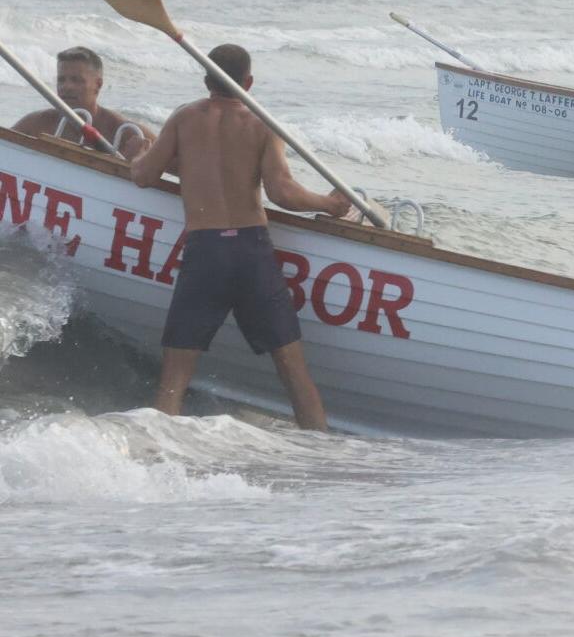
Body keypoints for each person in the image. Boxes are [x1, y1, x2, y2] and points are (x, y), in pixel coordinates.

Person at [127, 44, 351, 430]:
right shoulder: (262, 124)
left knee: (175, 377)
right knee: (294, 372)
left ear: (206, 80)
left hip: (206, 251)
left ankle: (158, 461)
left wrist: (137, 154)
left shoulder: (183, 119)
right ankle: (323, 459)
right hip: (251, 250)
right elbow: (282, 192)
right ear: (248, 82)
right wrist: (329, 204)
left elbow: (144, 176)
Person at [11, 46, 155, 159]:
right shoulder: (36, 124)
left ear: (98, 85)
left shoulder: (127, 132)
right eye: (61, 80)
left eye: (76, 80)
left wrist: (139, 164)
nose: (66, 87)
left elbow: (175, 170)